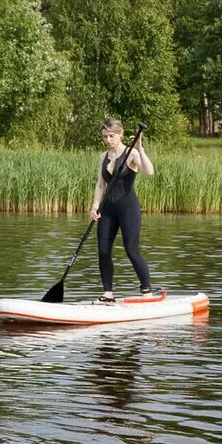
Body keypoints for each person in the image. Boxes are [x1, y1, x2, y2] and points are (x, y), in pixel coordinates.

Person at [89, 116, 155, 303]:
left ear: (120, 134)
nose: (107, 140)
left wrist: (140, 149)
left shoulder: (132, 153)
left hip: (128, 208)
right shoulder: (103, 157)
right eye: (104, 137)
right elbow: (100, 185)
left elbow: (149, 172)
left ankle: (147, 291)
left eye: (111, 136)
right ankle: (108, 293)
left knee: (131, 249)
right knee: (103, 250)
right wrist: (95, 206)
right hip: (106, 209)